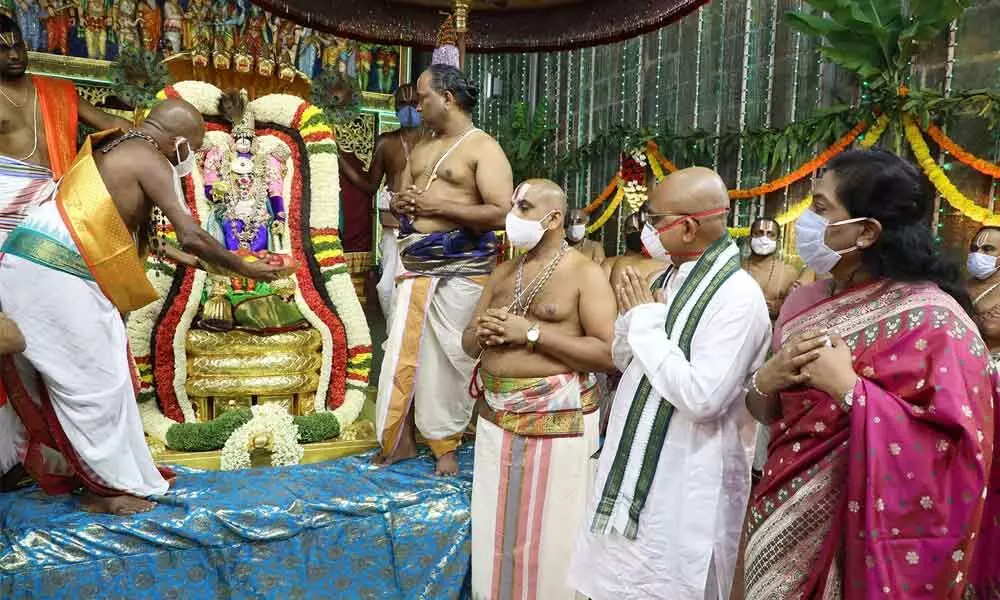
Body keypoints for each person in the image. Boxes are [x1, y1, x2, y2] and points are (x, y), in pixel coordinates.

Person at [0, 99, 291, 515]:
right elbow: (191, 233)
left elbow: (138, 232)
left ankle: (92, 472)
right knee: (96, 383)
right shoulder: (152, 157)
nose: (190, 158)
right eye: (191, 147)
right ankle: (106, 490)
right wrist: (245, 266)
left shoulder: (117, 145)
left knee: (105, 376)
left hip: (33, 262)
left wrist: (205, 261)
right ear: (176, 141)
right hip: (54, 268)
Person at [740, 149, 997, 598]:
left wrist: (850, 391)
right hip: (779, 514)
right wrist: (769, 376)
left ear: (865, 232)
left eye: (821, 209)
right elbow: (766, 410)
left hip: (861, 545)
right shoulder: (805, 301)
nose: (806, 222)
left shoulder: (936, 322)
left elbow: (959, 453)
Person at [569, 167, 771, 600]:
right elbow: (626, 361)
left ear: (688, 227)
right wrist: (631, 323)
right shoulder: (669, 277)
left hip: (687, 477)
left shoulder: (737, 297)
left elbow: (703, 398)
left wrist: (644, 326)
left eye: (654, 220)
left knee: (668, 584)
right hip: (636, 465)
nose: (647, 229)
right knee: (617, 580)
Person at [462, 180, 615, 600]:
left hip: (558, 424)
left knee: (554, 537)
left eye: (523, 207)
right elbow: (466, 342)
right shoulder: (504, 272)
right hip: (496, 421)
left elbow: (607, 354)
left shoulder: (584, 273)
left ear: (552, 219)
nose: (512, 214)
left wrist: (529, 332)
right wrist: (486, 332)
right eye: (512, 204)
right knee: (497, 530)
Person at [375, 64, 513, 476]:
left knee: (450, 355)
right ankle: (400, 436)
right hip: (416, 262)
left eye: (423, 98)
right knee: (405, 350)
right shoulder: (421, 146)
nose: (416, 106)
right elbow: (405, 194)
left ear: (448, 98)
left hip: (461, 266)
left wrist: (438, 208)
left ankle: (445, 442)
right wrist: (401, 205)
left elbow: (501, 213)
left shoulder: (483, 148)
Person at [0, 15, 132, 247]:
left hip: (59, 203)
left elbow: (108, 121)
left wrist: (154, 133)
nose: (14, 55)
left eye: (18, 45)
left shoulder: (56, 89)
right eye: (3, 48)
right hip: (7, 210)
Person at [338, 84, 426, 321]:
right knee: (387, 288)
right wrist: (339, 156)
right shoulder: (386, 142)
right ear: (394, 107)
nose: (408, 109)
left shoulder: (434, 141)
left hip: (426, 227)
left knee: (417, 289)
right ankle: (392, 340)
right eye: (402, 104)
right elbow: (369, 186)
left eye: (412, 103)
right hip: (393, 228)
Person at [743, 217, 814, 321]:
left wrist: (782, 308)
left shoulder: (789, 273)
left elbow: (796, 309)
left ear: (778, 241)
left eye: (770, 234)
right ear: (749, 238)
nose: (764, 238)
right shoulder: (737, 269)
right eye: (759, 233)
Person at [603, 209, 666, 293]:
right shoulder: (610, 264)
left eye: (641, 229)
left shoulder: (665, 264)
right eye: (632, 229)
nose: (638, 232)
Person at [967, 226, 1000, 361]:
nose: (978, 254)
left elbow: (991, 329)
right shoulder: (960, 287)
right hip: (961, 363)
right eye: (974, 249)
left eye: (988, 249)